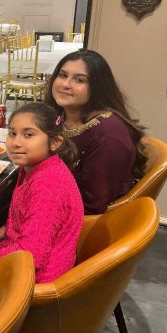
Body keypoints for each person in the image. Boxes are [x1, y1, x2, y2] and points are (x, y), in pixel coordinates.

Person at [0, 103, 84, 284]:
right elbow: (29, 220)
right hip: (22, 257)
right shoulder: (32, 167)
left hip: (31, 281)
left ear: (55, 142)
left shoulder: (48, 186)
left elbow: (30, 257)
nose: (16, 142)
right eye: (12, 133)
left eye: (28, 134)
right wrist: (2, 231)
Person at [45, 49, 147, 214]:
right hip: (52, 200)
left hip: (77, 225)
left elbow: (91, 206)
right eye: (63, 75)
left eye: (79, 80)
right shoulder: (63, 117)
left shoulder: (107, 136)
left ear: (97, 87)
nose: (65, 84)